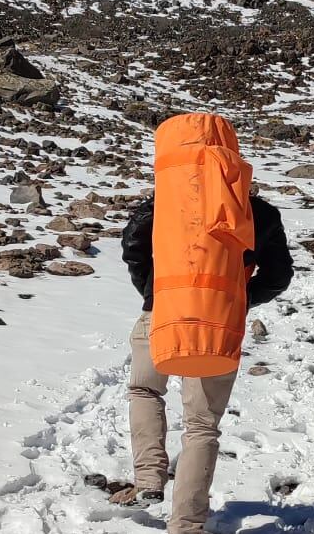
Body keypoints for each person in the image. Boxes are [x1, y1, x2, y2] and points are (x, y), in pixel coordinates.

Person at [115, 116, 292, 534]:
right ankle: (187, 525)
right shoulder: (258, 211)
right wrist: (236, 301)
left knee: (144, 389)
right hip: (219, 323)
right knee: (201, 426)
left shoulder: (161, 203)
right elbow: (279, 274)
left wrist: (155, 295)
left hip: (159, 313)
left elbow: (133, 251)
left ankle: (149, 479)